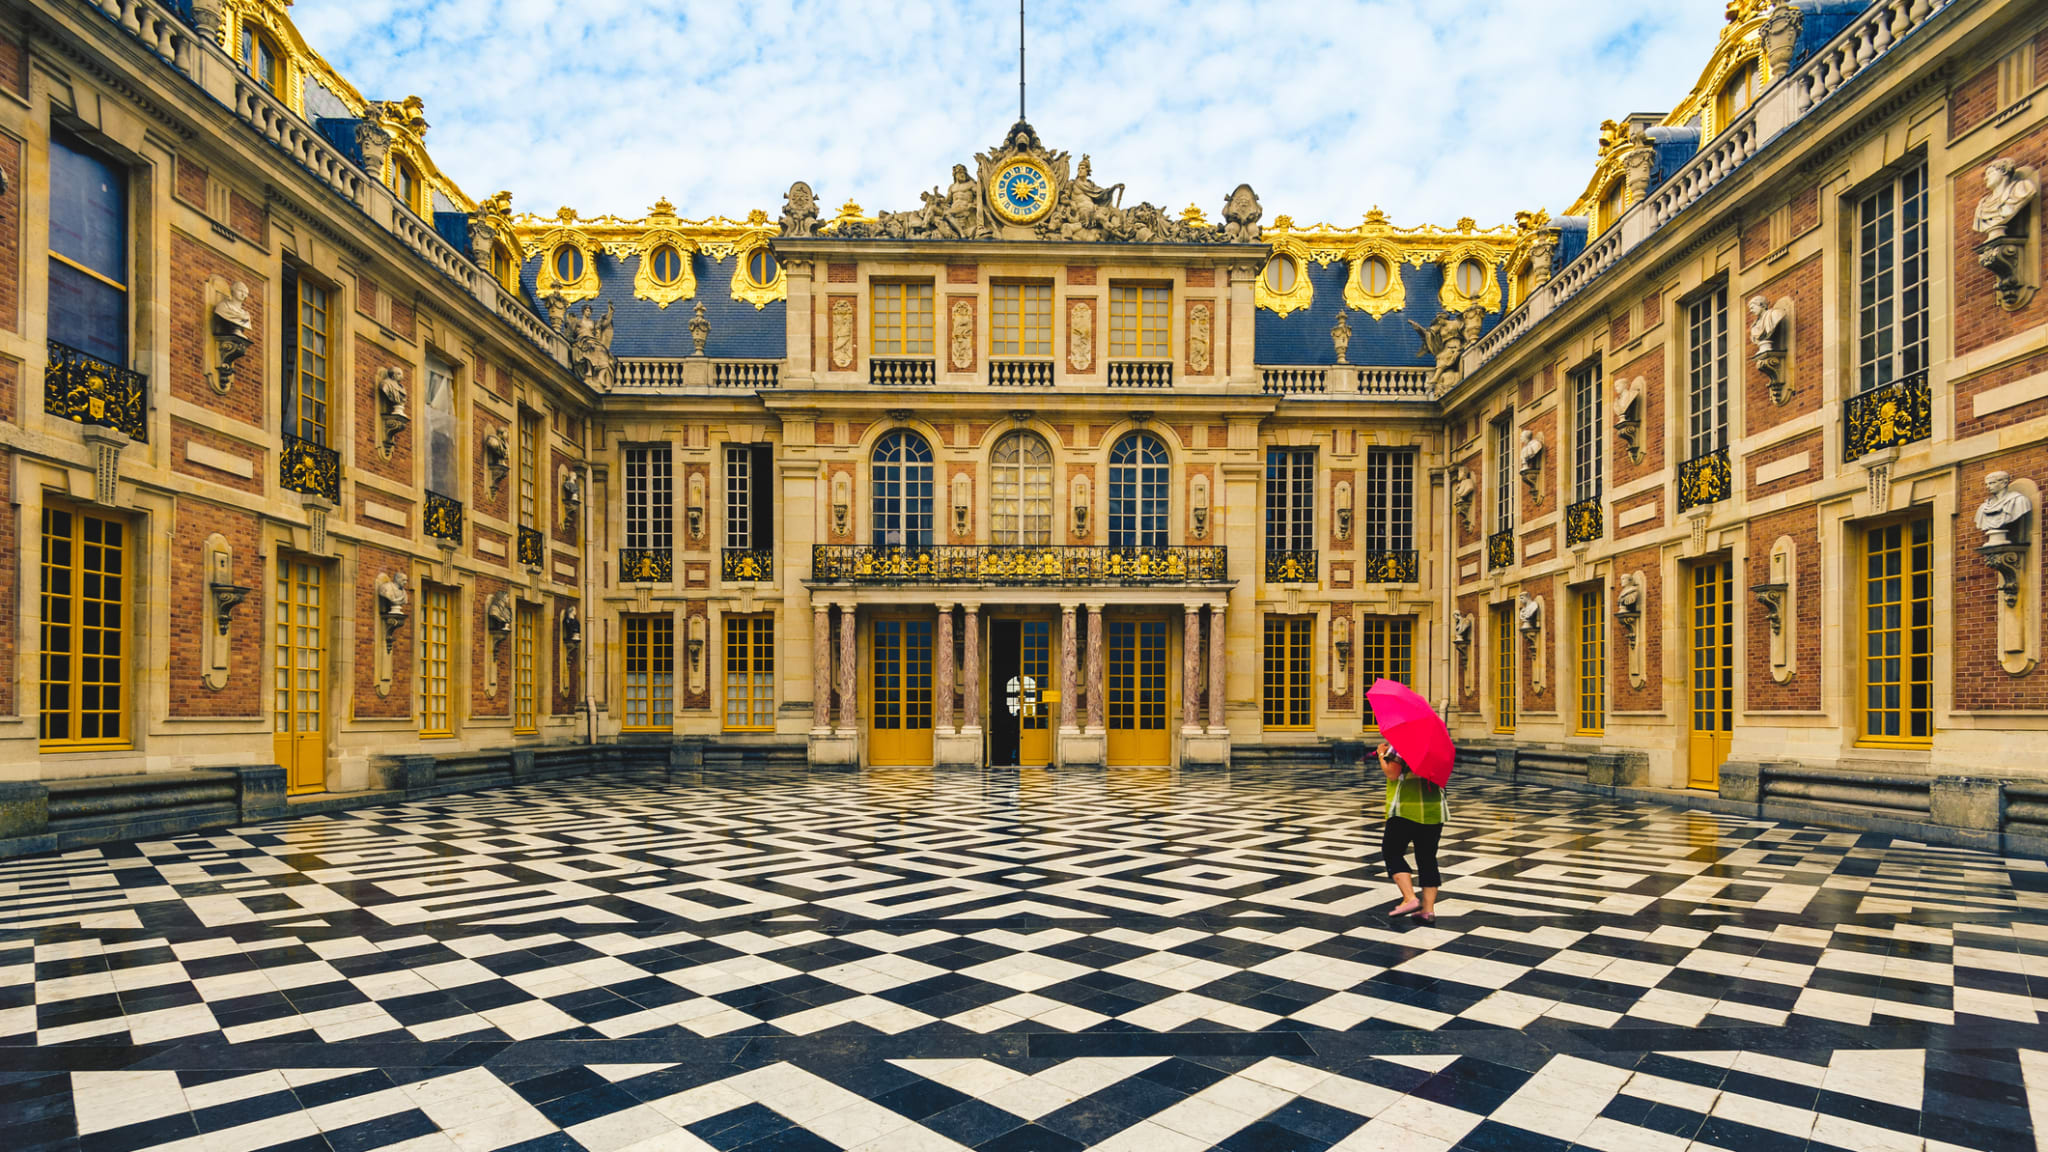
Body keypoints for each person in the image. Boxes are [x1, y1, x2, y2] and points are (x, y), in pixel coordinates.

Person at [1380, 741, 1445, 925]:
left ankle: (1409, 898)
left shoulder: (1403, 743)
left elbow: (1392, 773)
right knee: (1427, 858)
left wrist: (1381, 755)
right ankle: (1428, 910)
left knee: (1392, 851)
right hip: (1434, 809)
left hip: (1406, 808)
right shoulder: (1439, 746)